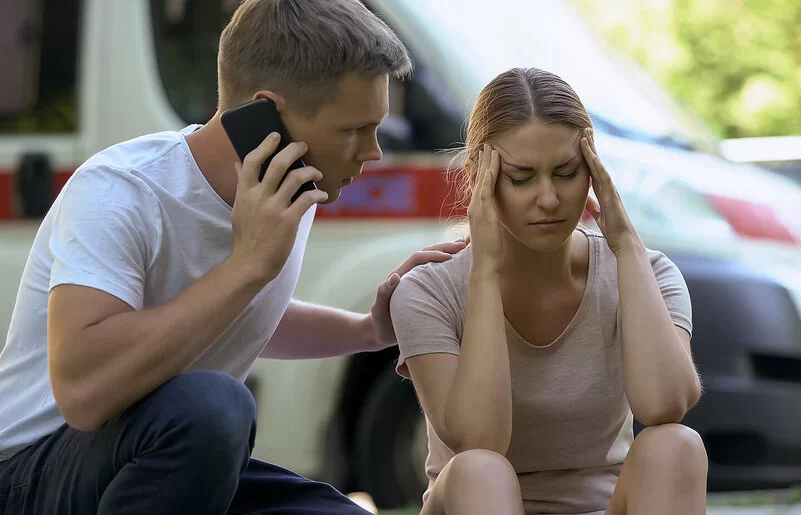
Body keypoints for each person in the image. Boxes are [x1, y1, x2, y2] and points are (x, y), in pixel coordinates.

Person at [0, 1, 466, 513]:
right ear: (268, 115)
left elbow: (237, 313)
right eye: (354, 129)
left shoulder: (283, 187)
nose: (373, 151)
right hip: (30, 473)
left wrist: (368, 330)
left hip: (159, 463)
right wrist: (247, 265)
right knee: (214, 406)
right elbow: (83, 393)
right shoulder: (121, 191)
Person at [389, 67, 709, 515]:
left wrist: (626, 246)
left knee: (676, 444)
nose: (549, 198)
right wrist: (484, 269)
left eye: (566, 172)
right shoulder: (428, 292)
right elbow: (481, 439)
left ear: (594, 169)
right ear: (481, 175)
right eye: (521, 177)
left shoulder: (647, 273)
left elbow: (665, 404)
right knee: (481, 467)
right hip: (476, 503)